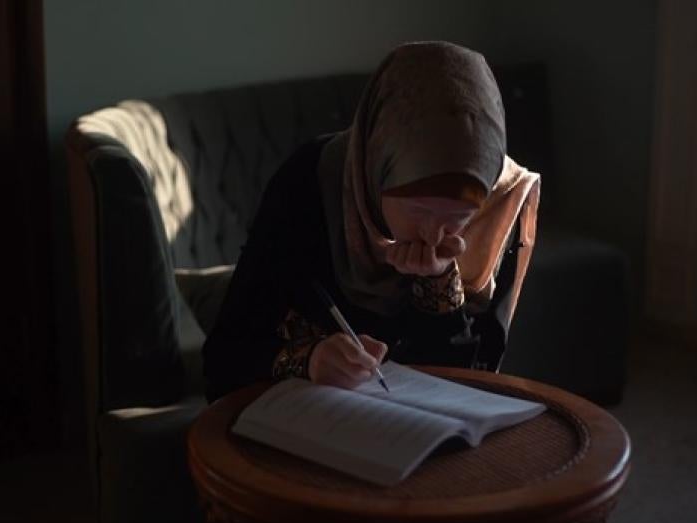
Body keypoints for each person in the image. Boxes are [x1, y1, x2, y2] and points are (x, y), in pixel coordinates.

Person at [202, 41, 541, 402]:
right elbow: (225, 359)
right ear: (377, 173)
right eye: (419, 211)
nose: (433, 235)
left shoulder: (501, 205)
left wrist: (440, 286)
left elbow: (477, 381)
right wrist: (309, 359)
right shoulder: (311, 183)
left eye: (460, 217)